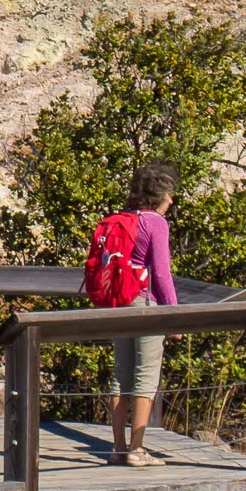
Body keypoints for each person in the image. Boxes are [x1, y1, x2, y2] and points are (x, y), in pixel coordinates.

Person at [96, 161, 179, 466]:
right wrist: (174, 314)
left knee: (121, 376)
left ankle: (118, 447)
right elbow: (161, 274)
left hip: (119, 302)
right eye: (169, 194)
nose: (171, 201)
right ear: (160, 195)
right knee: (146, 375)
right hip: (145, 302)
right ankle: (137, 449)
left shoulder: (120, 219)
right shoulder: (155, 223)